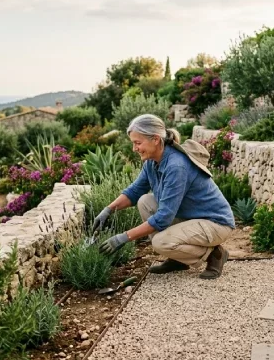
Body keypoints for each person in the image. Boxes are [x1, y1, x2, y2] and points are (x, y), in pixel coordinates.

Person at [96, 114, 236, 279]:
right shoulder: (152, 162)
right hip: (191, 217)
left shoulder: (176, 166)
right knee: (145, 201)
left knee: (160, 242)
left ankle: (214, 254)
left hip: (215, 223)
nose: (134, 148)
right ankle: (178, 258)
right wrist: (108, 209)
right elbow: (134, 192)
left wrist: (123, 237)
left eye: (138, 143)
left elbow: (163, 218)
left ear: (155, 139)